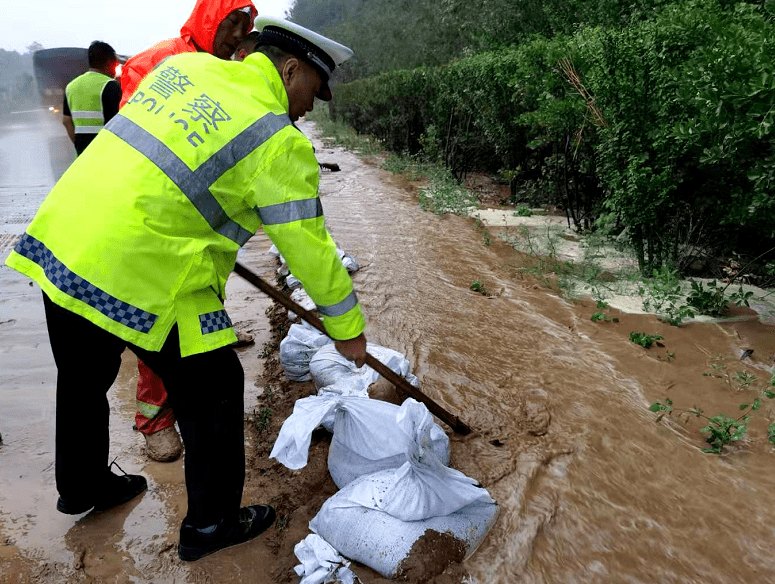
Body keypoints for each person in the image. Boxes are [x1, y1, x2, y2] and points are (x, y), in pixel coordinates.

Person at [5, 16, 365, 561]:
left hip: (64, 244)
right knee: (215, 384)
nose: (314, 107)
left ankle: (83, 487)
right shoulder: (277, 139)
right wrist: (349, 331)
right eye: (316, 90)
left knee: (82, 378)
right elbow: (310, 251)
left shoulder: (185, 69)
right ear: (291, 70)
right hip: (141, 271)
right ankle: (211, 525)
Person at [119, 0, 258, 463]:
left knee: (200, 304)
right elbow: (140, 147)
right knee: (153, 322)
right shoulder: (156, 64)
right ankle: (155, 420)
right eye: (232, 22)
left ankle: (195, 385)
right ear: (209, 17)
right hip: (156, 219)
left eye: (246, 27)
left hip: (199, 219)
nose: (239, 35)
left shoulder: (228, 74)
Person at [62, 41, 121, 156]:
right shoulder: (110, 85)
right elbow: (117, 123)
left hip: (83, 154)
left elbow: (66, 121)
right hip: (106, 152)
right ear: (109, 62)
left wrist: (79, 145)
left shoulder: (71, 86)